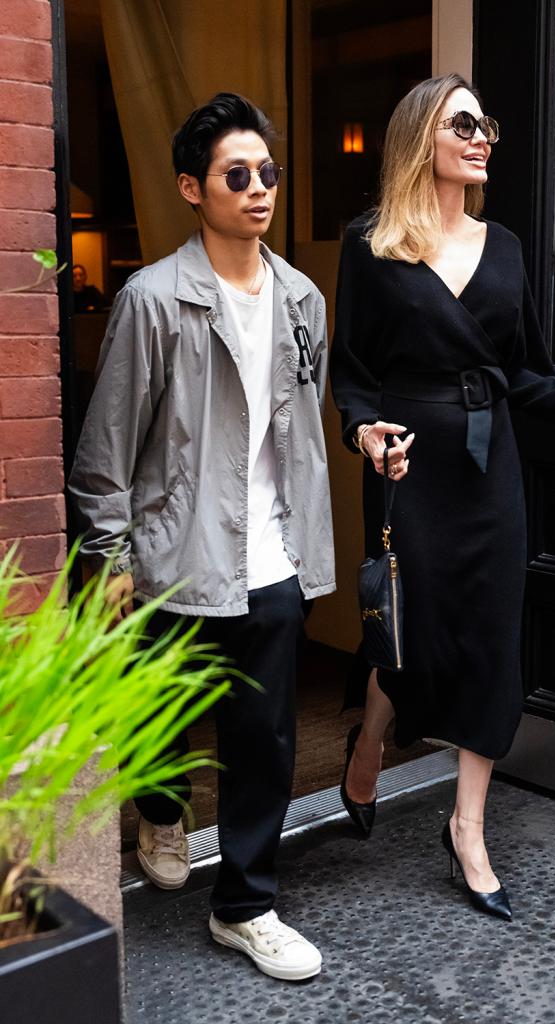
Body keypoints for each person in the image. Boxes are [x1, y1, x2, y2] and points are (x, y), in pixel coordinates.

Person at [330, 72, 555, 921]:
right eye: (462, 123)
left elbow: (526, 372)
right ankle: (368, 743)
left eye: (485, 124)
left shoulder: (502, 246)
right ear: (419, 137)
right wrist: (365, 432)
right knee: (409, 627)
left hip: (487, 460)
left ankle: (467, 827)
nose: (481, 137)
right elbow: (351, 373)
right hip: (409, 460)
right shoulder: (372, 243)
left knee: (490, 635)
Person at [69, 93, 335, 979]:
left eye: (268, 172)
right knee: (163, 718)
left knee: (264, 742)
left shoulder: (302, 298)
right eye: (236, 174)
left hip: (272, 558)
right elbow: (104, 451)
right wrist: (110, 559)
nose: (258, 188)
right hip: (177, 556)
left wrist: (303, 553)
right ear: (192, 187)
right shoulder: (152, 300)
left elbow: (296, 429)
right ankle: (163, 806)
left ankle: (246, 905)